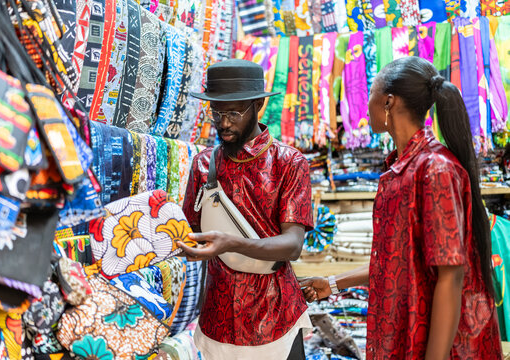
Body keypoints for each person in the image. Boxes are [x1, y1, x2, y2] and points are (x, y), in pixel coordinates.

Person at [300, 56, 502, 359]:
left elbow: (451, 277)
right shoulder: (400, 169)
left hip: (440, 345)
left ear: (388, 102)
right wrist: (332, 284)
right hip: (401, 333)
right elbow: (396, 264)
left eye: (371, 93)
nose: (365, 103)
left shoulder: (435, 169)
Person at [178, 59, 313, 360]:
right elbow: (189, 232)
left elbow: (292, 245)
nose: (224, 123)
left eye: (234, 113)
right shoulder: (203, 164)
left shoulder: (289, 163)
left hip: (276, 319)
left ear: (259, 105)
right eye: (217, 112)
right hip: (218, 319)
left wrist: (232, 243)